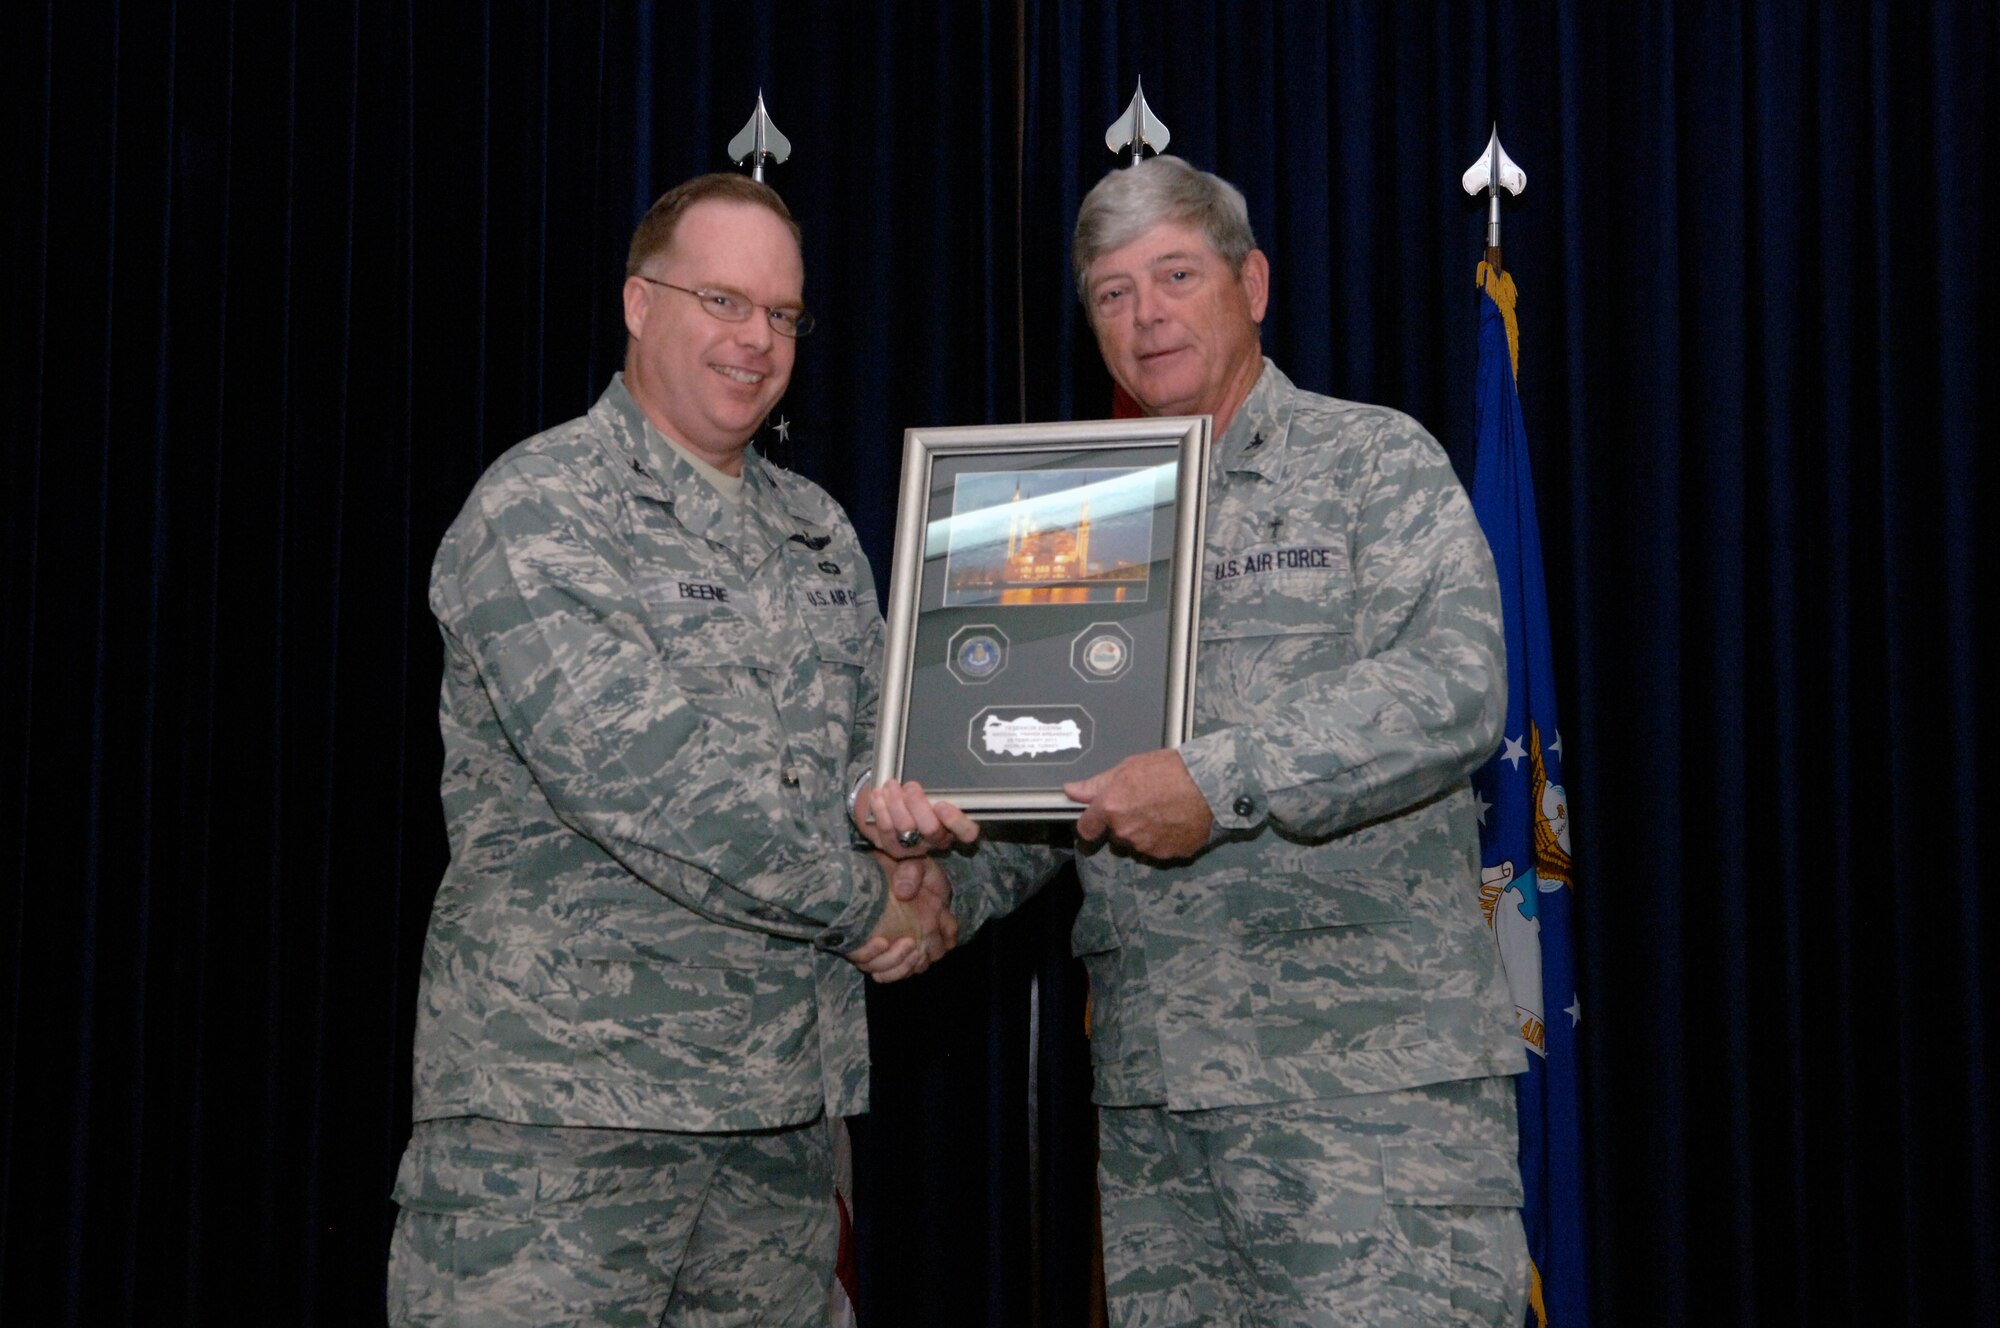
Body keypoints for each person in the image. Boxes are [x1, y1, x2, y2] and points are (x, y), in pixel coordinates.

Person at [387, 172, 972, 1327]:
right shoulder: (542, 507)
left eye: (782, 315)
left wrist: (933, 861)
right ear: (638, 304)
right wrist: (867, 907)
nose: (754, 339)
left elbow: (888, 762)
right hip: (561, 1132)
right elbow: (647, 783)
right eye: (721, 300)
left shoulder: (816, 534)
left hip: (777, 1139)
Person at [1058, 155, 1530, 1326]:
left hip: (1367, 1093)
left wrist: (1214, 779)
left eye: (1174, 274)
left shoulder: (1374, 462)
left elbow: (1454, 687)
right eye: (1112, 293)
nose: (1146, 314)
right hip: (1155, 1094)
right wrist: (934, 871)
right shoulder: (1080, 518)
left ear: (1250, 282)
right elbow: (1069, 772)